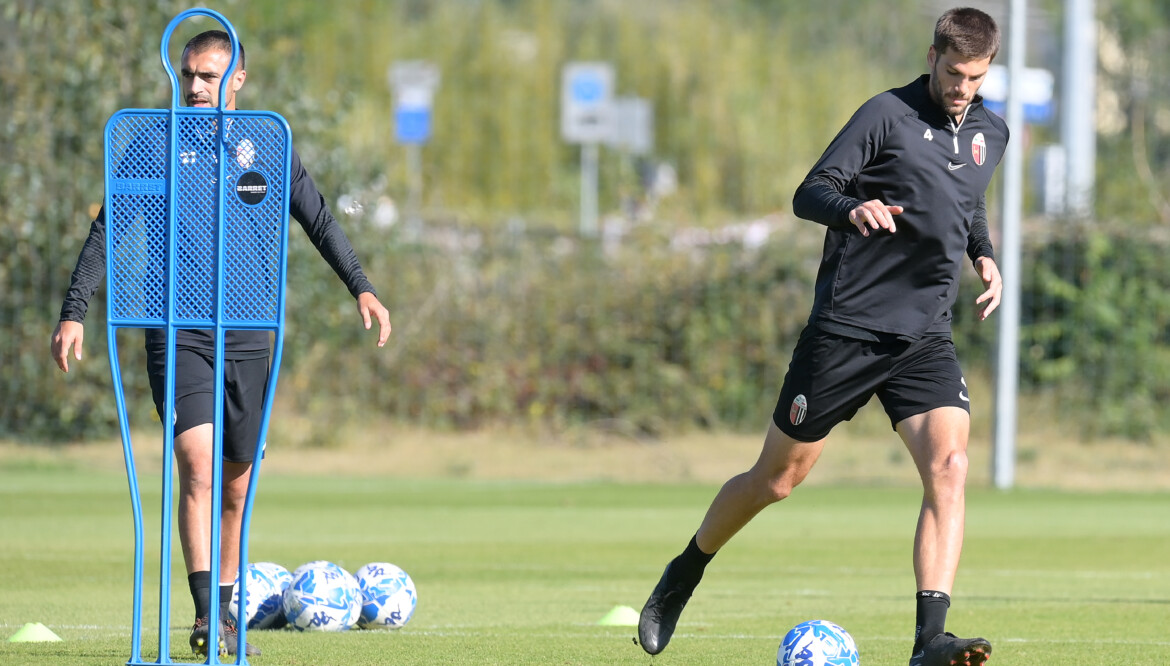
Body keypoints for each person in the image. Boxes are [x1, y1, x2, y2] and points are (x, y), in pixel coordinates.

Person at [637, 7, 1006, 666]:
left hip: (924, 336)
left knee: (951, 469)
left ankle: (929, 642)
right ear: (932, 57)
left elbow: (967, 199)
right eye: (953, 72)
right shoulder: (884, 116)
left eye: (974, 77)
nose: (961, 88)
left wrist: (984, 253)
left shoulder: (990, 131)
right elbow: (810, 193)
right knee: (776, 481)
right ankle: (685, 571)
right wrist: (853, 207)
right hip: (850, 328)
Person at [50, 30, 392, 658]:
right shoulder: (155, 143)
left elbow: (318, 219)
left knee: (235, 487)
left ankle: (227, 615)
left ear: (237, 78)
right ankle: (209, 620)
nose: (197, 87)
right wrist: (74, 311)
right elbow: (107, 230)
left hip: (250, 336)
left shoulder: (269, 143)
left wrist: (362, 288)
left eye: (209, 76)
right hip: (178, 331)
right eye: (188, 76)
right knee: (198, 472)